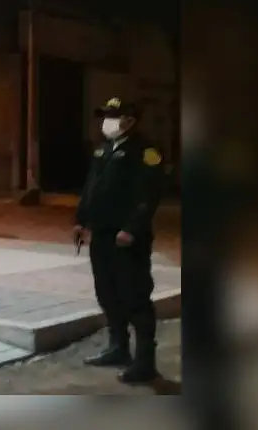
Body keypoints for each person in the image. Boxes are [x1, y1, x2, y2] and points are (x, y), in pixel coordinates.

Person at [74, 97, 165, 384]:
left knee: (135, 297)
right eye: (105, 115)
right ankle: (118, 347)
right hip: (101, 236)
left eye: (114, 116)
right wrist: (80, 220)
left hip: (127, 239)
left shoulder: (146, 151)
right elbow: (90, 187)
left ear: (130, 120)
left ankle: (145, 362)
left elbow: (148, 194)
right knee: (108, 294)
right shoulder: (103, 149)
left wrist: (132, 228)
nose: (107, 121)